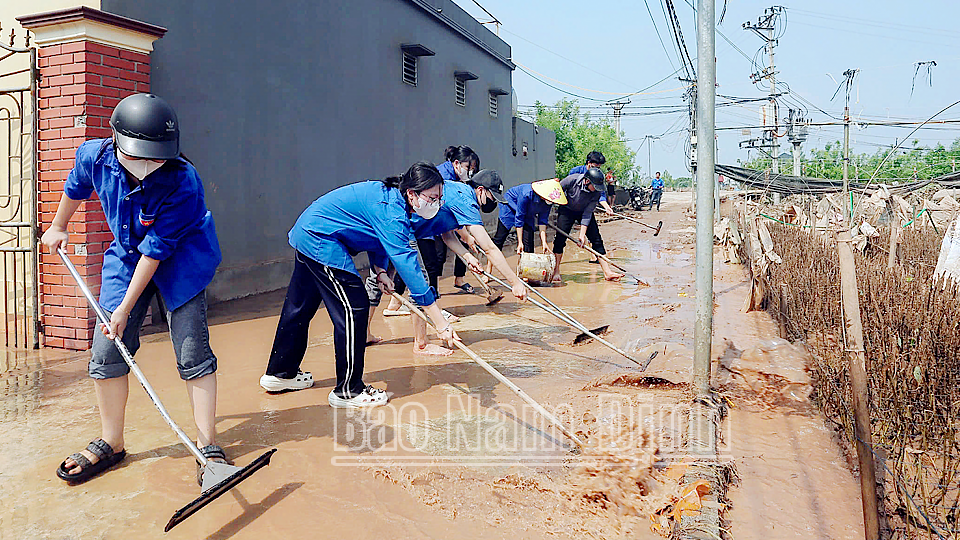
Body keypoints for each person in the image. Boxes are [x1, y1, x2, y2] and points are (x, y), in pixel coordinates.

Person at [41, 93, 224, 485]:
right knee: (107, 350)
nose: (147, 167)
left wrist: (124, 309)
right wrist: (58, 226)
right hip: (127, 256)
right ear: (116, 141)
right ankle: (112, 441)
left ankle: (208, 444)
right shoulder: (94, 155)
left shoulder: (182, 181)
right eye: (138, 157)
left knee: (192, 350)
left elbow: (157, 251)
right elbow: (76, 187)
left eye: (155, 158)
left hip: (183, 258)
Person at [259, 163, 469, 407]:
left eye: (439, 198)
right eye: (432, 198)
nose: (436, 204)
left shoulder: (392, 199)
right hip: (322, 239)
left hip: (309, 231)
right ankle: (348, 390)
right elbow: (410, 269)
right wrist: (440, 323)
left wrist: (380, 271)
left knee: (300, 307)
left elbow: (376, 237)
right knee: (354, 308)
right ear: (412, 193)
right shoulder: (391, 210)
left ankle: (280, 374)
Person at [366, 169, 527, 356]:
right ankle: (421, 344)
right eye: (492, 197)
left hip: (395, 226)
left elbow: (447, 234)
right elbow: (490, 247)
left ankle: (364, 333)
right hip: (402, 227)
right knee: (420, 281)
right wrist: (515, 282)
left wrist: (467, 256)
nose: (493, 203)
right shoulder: (466, 199)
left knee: (377, 277)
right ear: (481, 190)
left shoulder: (456, 192)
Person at [551, 167, 624, 282]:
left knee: (596, 240)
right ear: (587, 181)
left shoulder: (596, 193)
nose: (595, 189)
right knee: (560, 239)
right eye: (594, 186)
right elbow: (555, 190)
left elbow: (587, 214)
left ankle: (607, 272)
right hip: (567, 210)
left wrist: (581, 235)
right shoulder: (572, 180)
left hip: (583, 212)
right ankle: (556, 271)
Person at [488, 178, 567, 275]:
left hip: (528, 212)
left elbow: (542, 221)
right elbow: (519, 217)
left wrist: (544, 242)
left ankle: (526, 273)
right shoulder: (527, 194)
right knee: (499, 239)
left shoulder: (548, 201)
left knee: (529, 243)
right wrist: (519, 242)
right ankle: (488, 270)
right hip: (510, 207)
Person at [436, 145, 480, 294]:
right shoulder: (444, 177)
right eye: (468, 167)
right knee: (436, 257)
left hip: (443, 221)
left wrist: (466, 234)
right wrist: (466, 235)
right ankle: (431, 290)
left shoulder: (458, 177)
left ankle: (459, 279)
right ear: (456, 163)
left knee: (462, 243)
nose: (470, 172)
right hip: (430, 222)